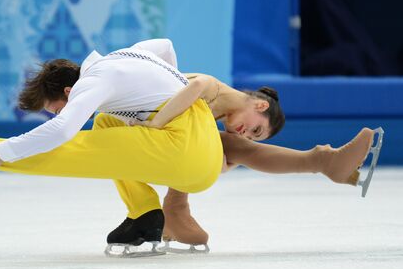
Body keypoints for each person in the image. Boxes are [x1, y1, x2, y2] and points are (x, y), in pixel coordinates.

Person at [0, 39, 284, 256]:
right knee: (105, 125)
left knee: (74, 148)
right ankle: (146, 215)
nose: (62, 112)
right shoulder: (125, 56)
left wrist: (1, 152)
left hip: (187, 148)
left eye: (55, 107)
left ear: (70, 90)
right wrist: (164, 94)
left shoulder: (96, 80)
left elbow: (63, 131)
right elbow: (166, 48)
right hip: (194, 143)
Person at [131, 73, 377, 247]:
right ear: (260, 105)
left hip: (147, 133)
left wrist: (217, 158)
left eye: (252, 136)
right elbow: (196, 87)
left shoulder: (213, 115)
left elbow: (211, 160)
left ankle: (326, 162)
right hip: (131, 123)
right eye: (255, 130)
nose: (245, 134)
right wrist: (155, 124)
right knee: (233, 147)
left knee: (233, 147)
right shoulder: (209, 87)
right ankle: (325, 162)